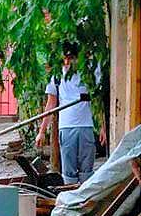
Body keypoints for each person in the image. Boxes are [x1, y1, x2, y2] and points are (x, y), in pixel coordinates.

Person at [35, 42, 106, 184]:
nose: (67, 62)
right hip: (66, 127)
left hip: (86, 126)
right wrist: (42, 131)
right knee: (69, 172)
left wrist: (103, 127)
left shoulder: (89, 72)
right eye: (65, 58)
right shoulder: (56, 75)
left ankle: (86, 203)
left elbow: (98, 100)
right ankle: (71, 201)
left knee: (87, 171)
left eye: (71, 58)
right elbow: (51, 103)